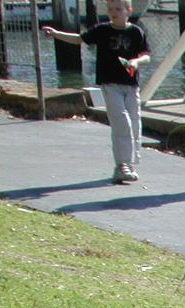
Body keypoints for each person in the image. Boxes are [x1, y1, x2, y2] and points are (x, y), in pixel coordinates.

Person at [43, 0, 150, 185]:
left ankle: (129, 163)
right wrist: (56, 34)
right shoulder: (102, 30)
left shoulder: (136, 32)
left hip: (131, 85)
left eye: (118, 9)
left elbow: (146, 55)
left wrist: (136, 62)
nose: (113, 13)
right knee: (121, 121)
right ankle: (122, 165)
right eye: (110, 10)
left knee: (134, 122)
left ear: (128, 11)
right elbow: (80, 39)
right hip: (110, 84)